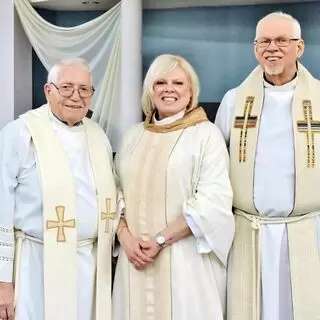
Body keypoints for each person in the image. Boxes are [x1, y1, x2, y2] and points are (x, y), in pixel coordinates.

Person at [112, 54, 234, 320]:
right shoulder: (133, 137)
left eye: (179, 83)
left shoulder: (206, 135)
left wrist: (160, 240)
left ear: (191, 92)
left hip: (185, 260)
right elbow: (114, 193)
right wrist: (126, 238)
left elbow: (213, 201)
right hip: (133, 260)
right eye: (160, 82)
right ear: (149, 91)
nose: (169, 89)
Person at [215, 11, 320, 320]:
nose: (271, 47)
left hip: (308, 230)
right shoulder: (234, 100)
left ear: (299, 47)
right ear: (255, 47)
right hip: (248, 231)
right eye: (264, 41)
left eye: (281, 40)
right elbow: (216, 165)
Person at [0, 58, 118, 320]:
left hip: (90, 265)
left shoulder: (98, 135)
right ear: (48, 90)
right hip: (36, 264)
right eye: (66, 87)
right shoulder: (20, 133)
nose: (76, 96)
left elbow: (112, 195)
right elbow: (1, 206)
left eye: (84, 89)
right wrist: (2, 281)